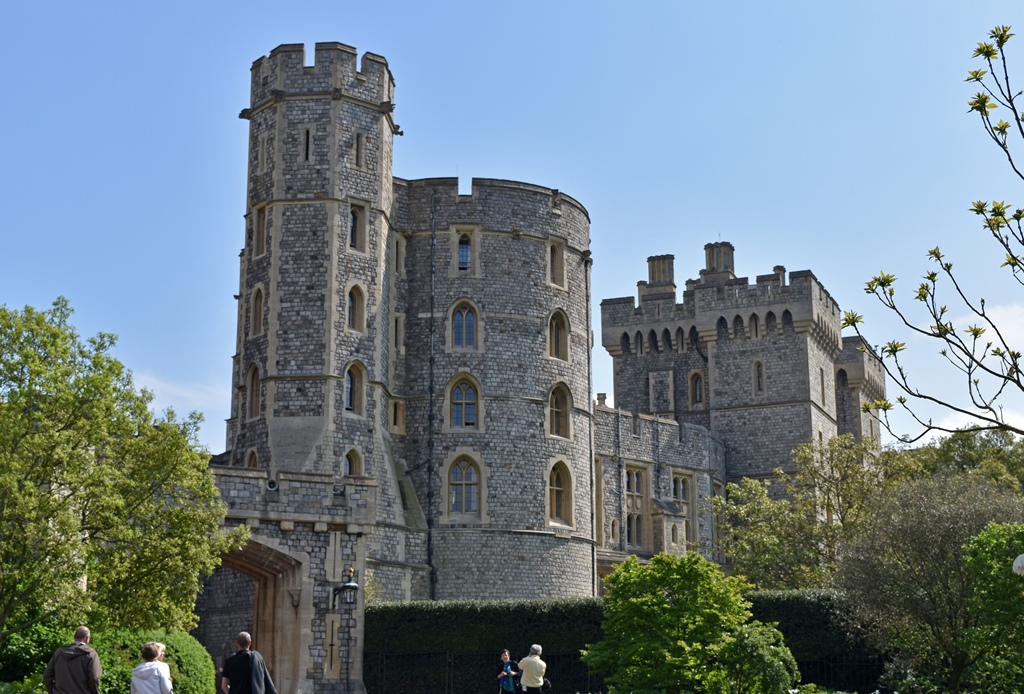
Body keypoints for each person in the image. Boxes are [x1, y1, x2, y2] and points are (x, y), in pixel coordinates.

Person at [43, 626, 102, 694]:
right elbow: (94, 678)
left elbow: (47, 676)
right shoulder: (91, 655)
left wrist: (53, 691)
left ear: (74, 637)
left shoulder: (59, 653)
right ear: (87, 638)